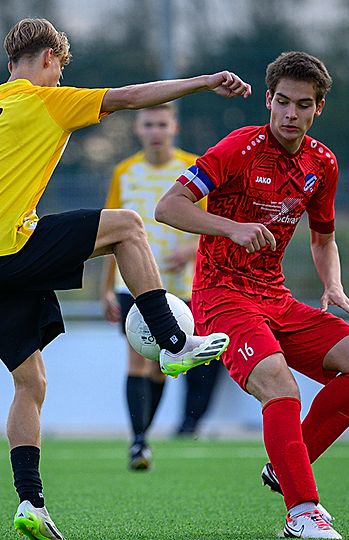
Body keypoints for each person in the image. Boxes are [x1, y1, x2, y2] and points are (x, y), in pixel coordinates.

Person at [0, 18, 248, 539]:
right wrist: (204, 81)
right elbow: (132, 97)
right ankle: (173, 343)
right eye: (59, 70)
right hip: (10, 246)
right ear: (47, 60)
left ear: (8, 63)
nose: (60, 79)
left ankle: (30, 502)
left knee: (30, 382)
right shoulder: (46, 100)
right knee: (128, 225)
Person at [155, 51, 349, 539]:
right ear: (268, 99)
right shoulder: (238, 148)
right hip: (221, 295)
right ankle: (302, 512)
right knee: (281, 387)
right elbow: (168, 207)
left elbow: (323, 239)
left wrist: (333, 283)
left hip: (275, 298)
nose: (290, 114)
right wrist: (231, 227)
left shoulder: (323, 163)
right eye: (282, 101)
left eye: (302, 105)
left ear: (318, 108)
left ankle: (285, 466)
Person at [100, 103, 220, 471]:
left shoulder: (194, 167)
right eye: (148, 124)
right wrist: (105, 288)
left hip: (180, 287)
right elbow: (109, 232)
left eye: (162, 124)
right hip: (131, 283)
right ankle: (138, 441)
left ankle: (142, 436)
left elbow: (215, 223)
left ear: (174, 128)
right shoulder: (125, 172)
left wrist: (192, 249)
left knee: (159, 365)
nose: (155, 131)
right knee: (137, 357)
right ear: (138, 129)